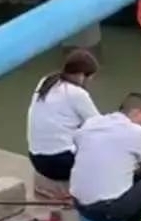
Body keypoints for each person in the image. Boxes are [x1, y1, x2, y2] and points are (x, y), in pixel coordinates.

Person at [70, 91, 141, 221]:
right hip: (105, 210)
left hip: (78, 202)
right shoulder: (135, 131)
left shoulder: (92, 122)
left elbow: (79, 146)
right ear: (136, 113)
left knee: (137, 176)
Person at [26, 48, 100, 191]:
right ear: (82, 75)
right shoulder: (77, 93)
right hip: (59, 164)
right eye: (91, 77)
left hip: (36, 159)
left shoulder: (46, 81)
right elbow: (100, 125)